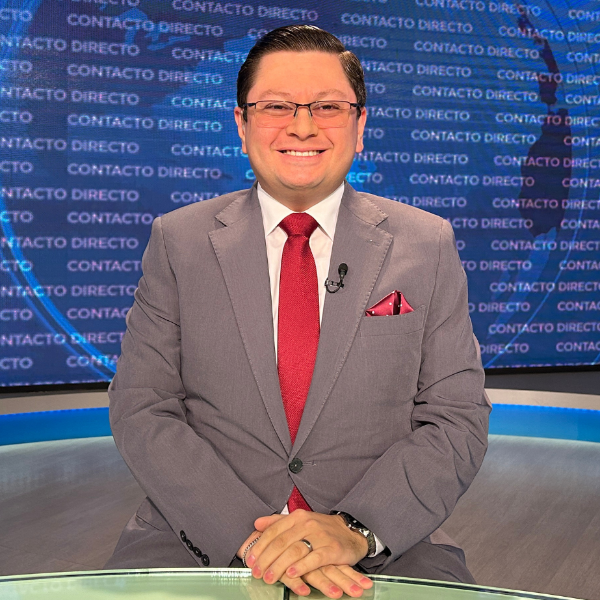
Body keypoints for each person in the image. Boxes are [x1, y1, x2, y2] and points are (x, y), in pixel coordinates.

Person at [106, 25, 491, 598]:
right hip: (198, 535)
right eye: (276, 106)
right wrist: (254, 540)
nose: (303, 126)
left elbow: (455, 417)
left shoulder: (427, 244)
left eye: (328, 107)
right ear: (242, 126)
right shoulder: (178, 241)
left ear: (361, 127)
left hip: (384, 543)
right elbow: (143, 406)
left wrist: (355, 530)